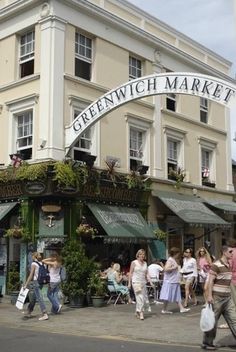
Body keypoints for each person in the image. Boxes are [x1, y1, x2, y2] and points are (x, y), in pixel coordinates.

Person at [201, 244, 236, 350]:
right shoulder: (216, 265)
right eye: (230, 252)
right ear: (224, 252)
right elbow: (210, 281)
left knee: (234, 319)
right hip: (217, 298)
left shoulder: (229, 265)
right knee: (213, 321)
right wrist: (209, 296)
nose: (232, 253)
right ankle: (207, 343)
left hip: (227, 298)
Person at [159, 247, 190, 314]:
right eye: (178, 253)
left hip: (173, 280)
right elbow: (166, 269)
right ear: (175, 253)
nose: (179, 255)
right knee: (169, 295)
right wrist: (174, 267)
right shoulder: (170, 260)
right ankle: (165, 309)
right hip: (170, 281)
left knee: (176, 295)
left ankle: (180, 308)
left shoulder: (173, 259)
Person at [128, 249, 153, 320]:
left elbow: (147, 274)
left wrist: (150, 281)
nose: (142, 255)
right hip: (136, 282)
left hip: (143, 282)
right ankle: (141, 313)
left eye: (143, 254)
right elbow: (131, 273)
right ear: (138, 255)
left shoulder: (145, 263)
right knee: (140, 297)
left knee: (144, 298)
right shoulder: (134, 262)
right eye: (141, 254)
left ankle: (137, 311)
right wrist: (129, 283)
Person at [24, 252, 49, 321]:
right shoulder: (41, 263)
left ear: (34, 257)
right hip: (41, 282)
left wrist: (26, 284)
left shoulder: (33, 264)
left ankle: (44, 314)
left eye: (32, 256)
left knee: (39, 298)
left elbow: (31, 275)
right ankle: (29, 311)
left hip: (36, 282)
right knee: (34, 298)